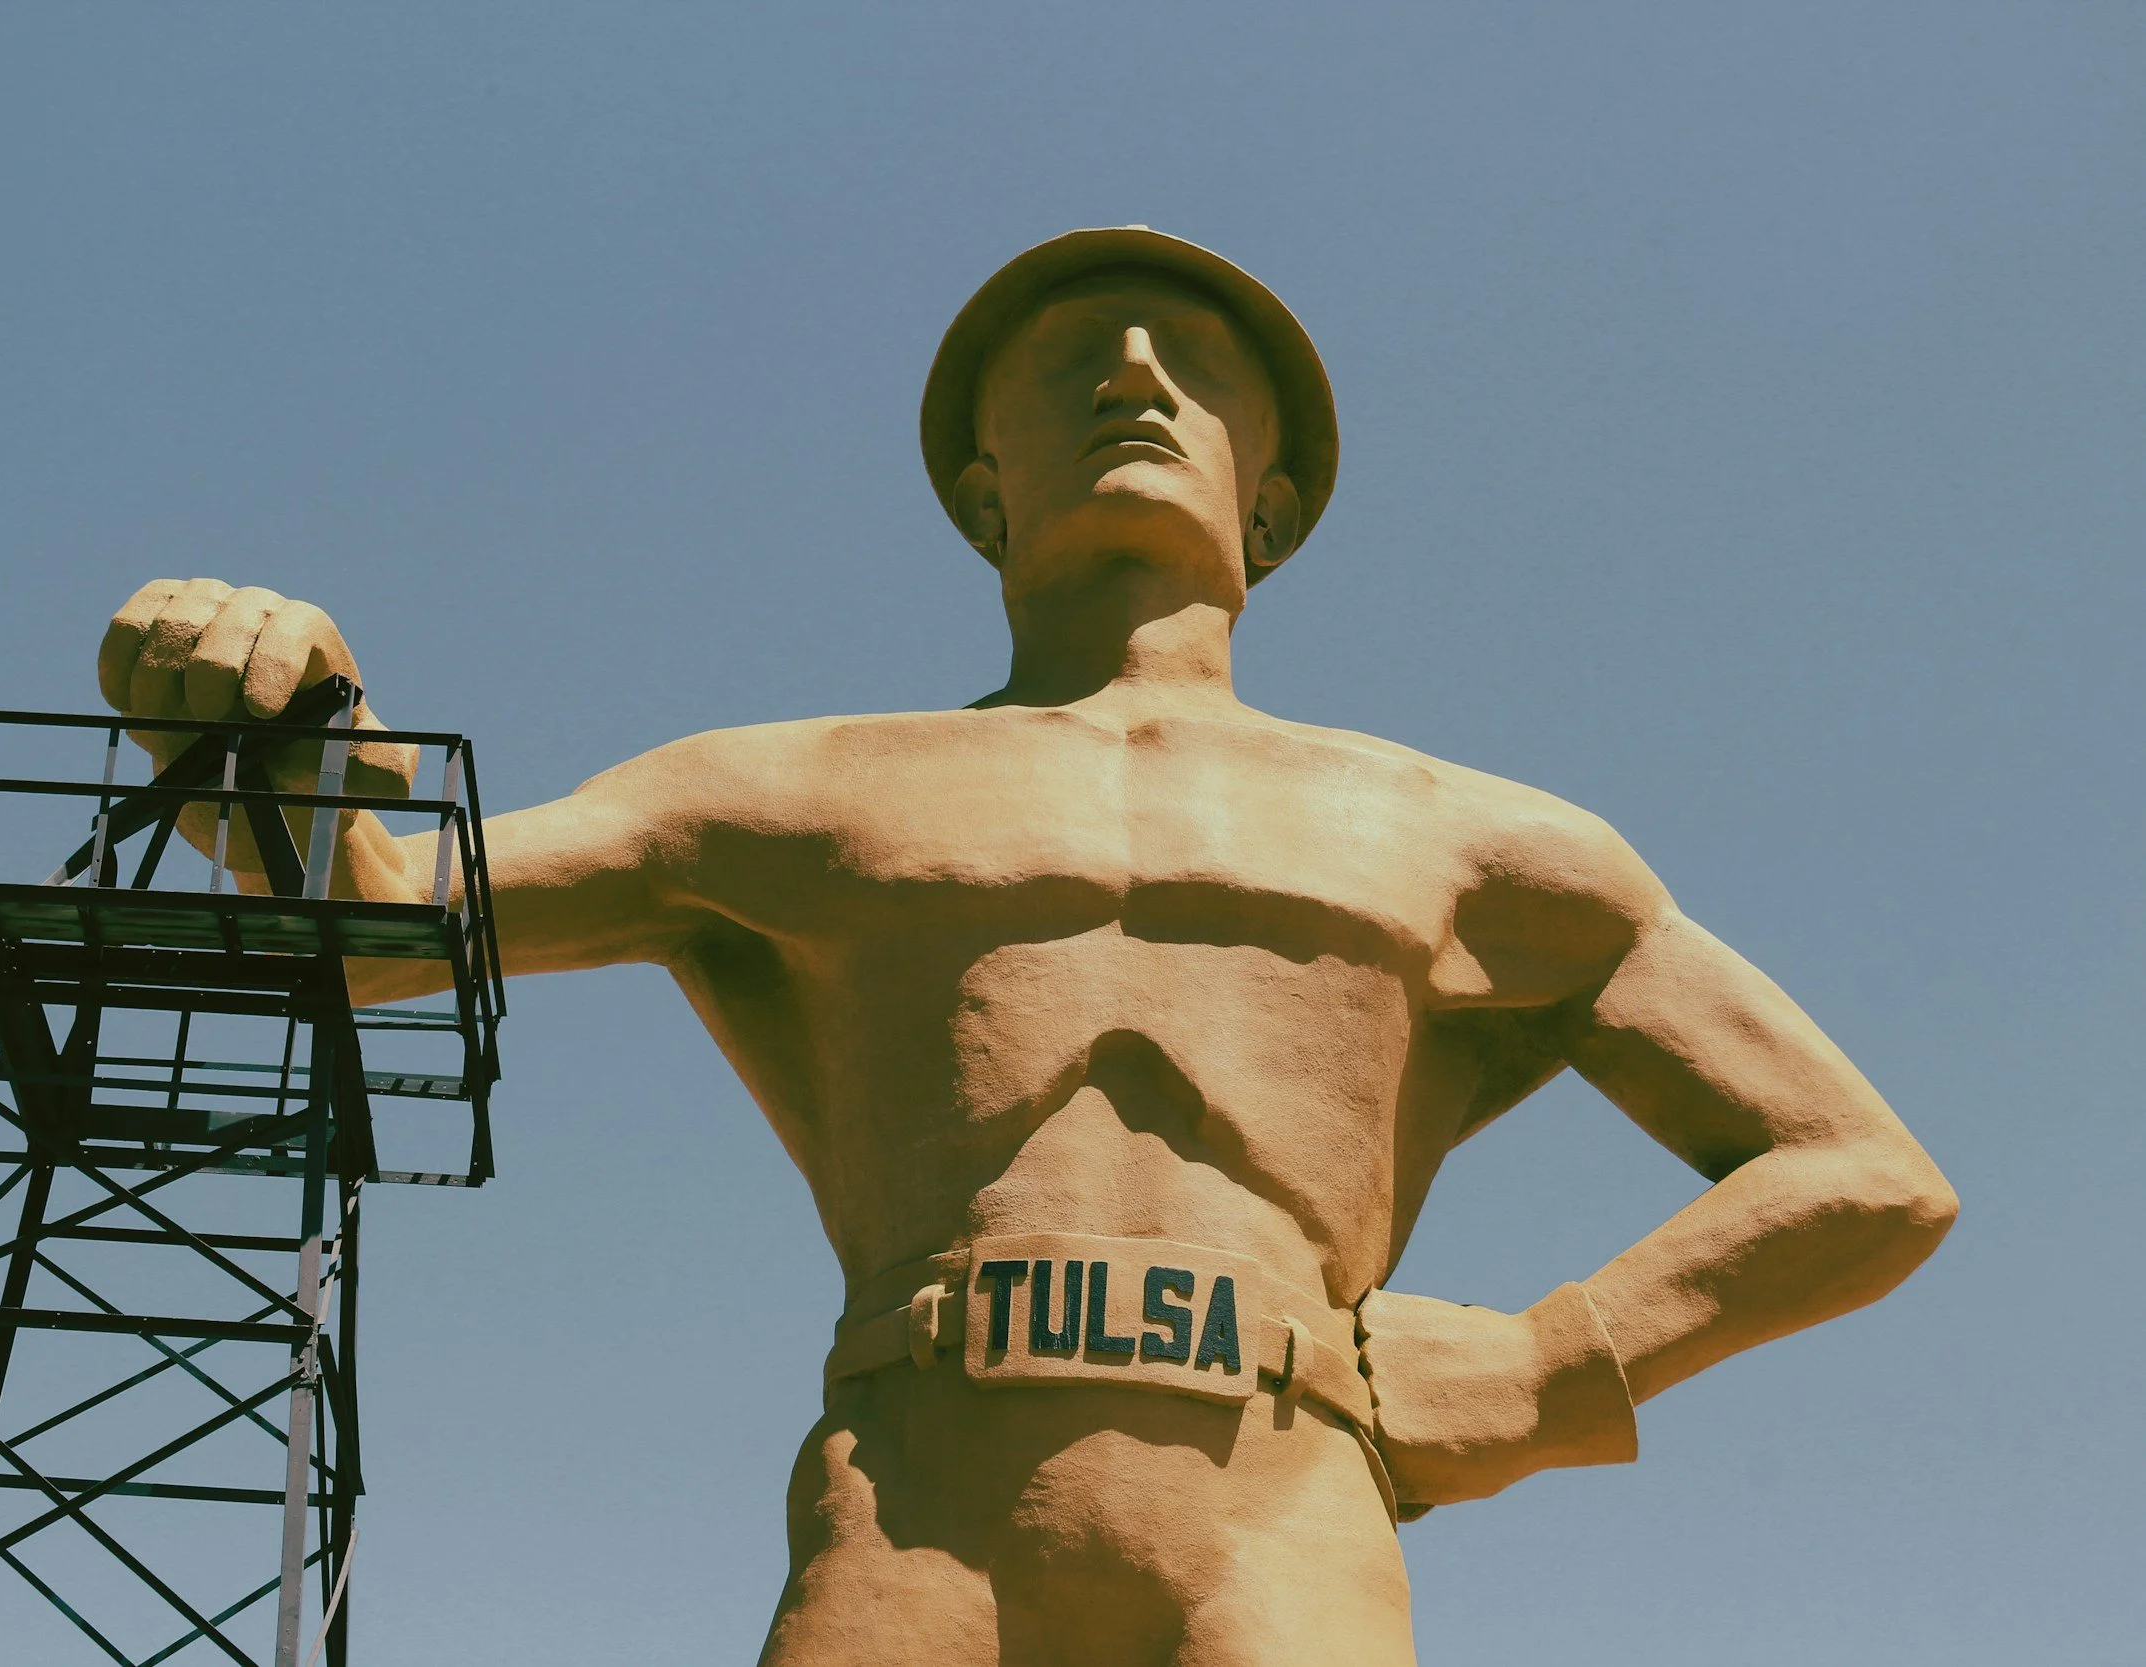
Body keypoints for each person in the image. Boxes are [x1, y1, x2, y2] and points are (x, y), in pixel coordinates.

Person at [97, 228, 1956, 1666]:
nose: (1135, 375)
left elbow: (1862, 1169)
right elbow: (379, 926)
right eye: (1072, 359)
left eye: (1195, 365)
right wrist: (264, 724)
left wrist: (1557, 1364)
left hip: (1281, 1514)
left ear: (1273, 502)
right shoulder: (790, 792)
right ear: (984, 490)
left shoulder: (1467, 838)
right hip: (917, 1515)